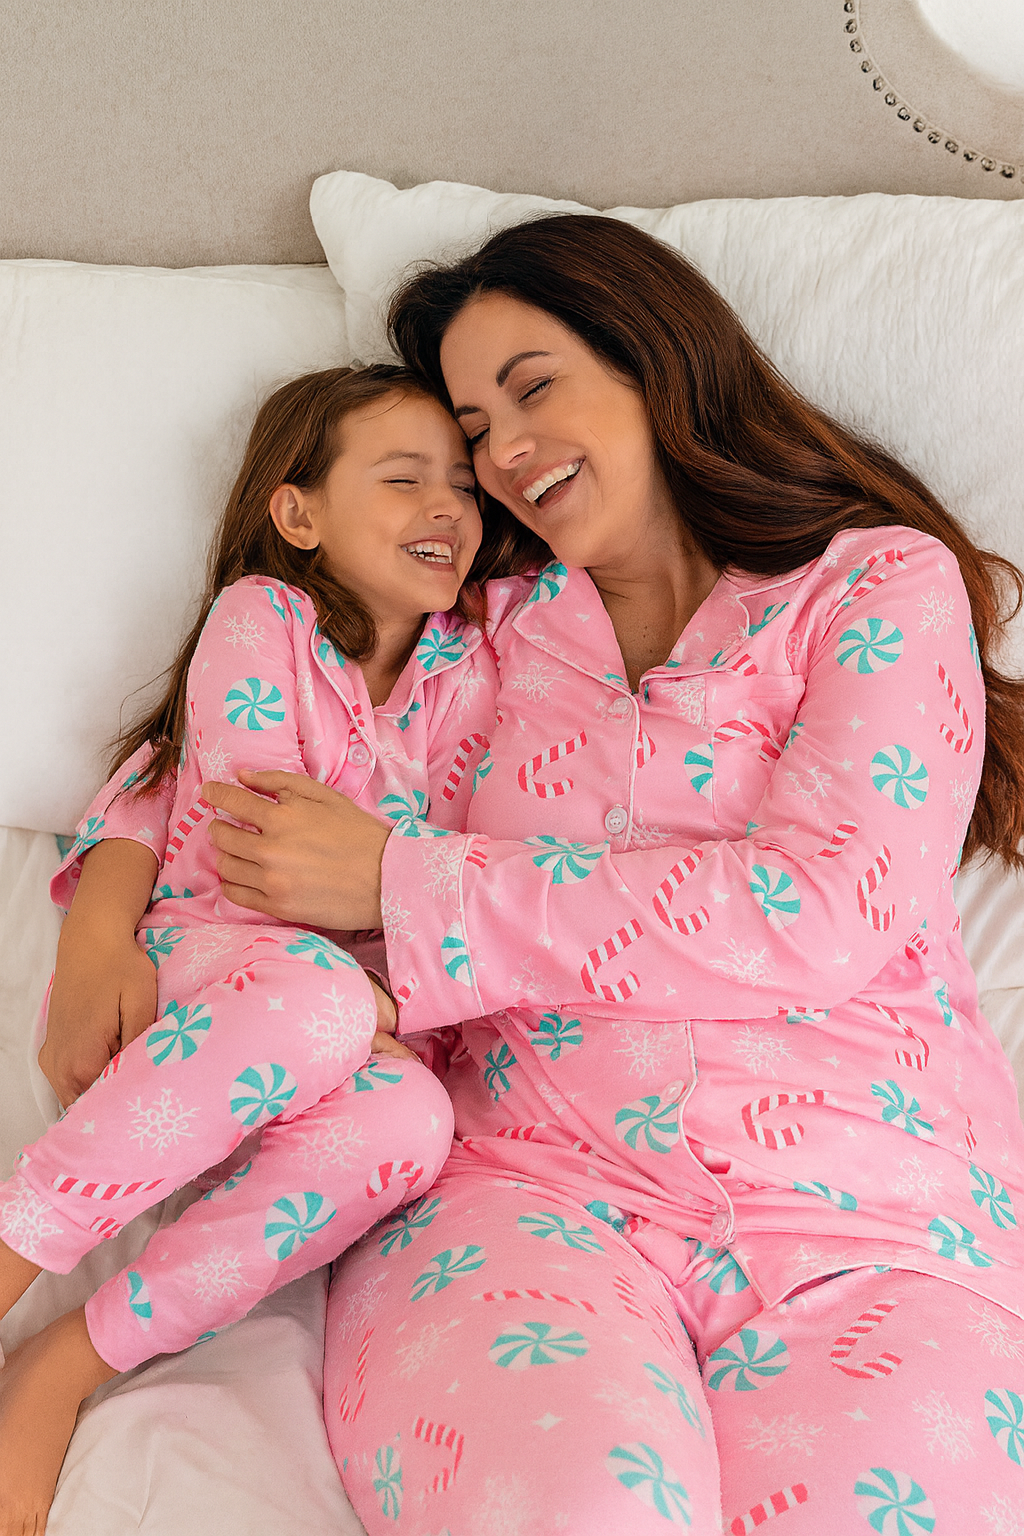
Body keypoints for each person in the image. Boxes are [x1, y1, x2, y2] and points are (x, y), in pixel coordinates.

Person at [194, 217, 1024, 1533]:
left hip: (874, 1217)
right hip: (525, 1189)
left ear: (660, 361)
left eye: (534, 385)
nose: (505, 451)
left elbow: (819, 910)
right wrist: (107, 911)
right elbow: (274, 725)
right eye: (473, 432)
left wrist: (411, 886)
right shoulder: (482, 629)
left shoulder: (873, 587)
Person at [0, 364, 496, 1535]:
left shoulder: (468, 675)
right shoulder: (261, 618)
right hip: (205, 967)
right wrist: (101, 941)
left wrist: (389, 977)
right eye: (404, 478)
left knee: (408, 1127)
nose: (448, 508)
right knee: (318, 997)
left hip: (345, 1023)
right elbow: (254, 840)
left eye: (467, 486)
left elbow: (468, 875)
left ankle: (63, 1366)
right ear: (299, 514)